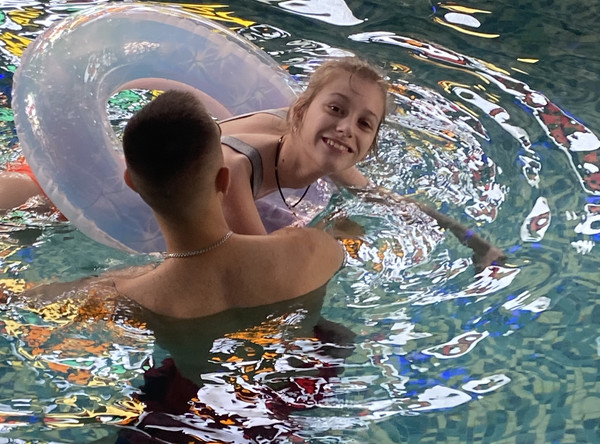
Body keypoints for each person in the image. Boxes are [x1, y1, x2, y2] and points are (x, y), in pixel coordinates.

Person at [1, 56, 504, 267]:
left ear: (370, 143)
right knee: (24, 204)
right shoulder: (239, 168)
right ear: (300, 111)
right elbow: (256, 264)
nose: (346, 128)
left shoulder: (333, 159)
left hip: (143, 182)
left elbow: (393, 202)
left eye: (364, 124)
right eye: (335, 110)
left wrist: (475, 242)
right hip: (92, 185)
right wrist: (332, 240)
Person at [23, 89, 345, 319]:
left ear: (131, 183)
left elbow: (29, 302)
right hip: (299, 376)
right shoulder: (311, 249)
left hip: (186, 388)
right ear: (224, 180)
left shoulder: (132, 294)